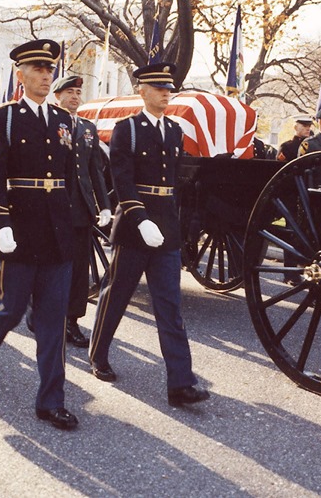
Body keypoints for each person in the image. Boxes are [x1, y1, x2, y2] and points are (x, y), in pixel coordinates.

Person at [88, 62, 210, 408]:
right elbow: (123, 179)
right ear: (142, 90)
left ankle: (181, 384)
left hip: (166, 232)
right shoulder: (126, 129)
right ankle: (98, 354)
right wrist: (141, 219)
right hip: (134, 228)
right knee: (116, 296)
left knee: (170, 307)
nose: (166, 93)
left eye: (169, 88)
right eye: (159, 88)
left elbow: (174, 184)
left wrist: (179, 229)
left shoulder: (174, 131)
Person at [0, 39, 79, 430]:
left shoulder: (63, 120)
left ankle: (51, 400)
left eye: (50, 70)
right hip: (19, 230)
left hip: (57, 234)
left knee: (52, 319)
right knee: (12, 309)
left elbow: (68, 177)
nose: (46, 76)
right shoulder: (3, 119)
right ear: (21, 74)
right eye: (38, 69)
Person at [50, 74, 111, 347]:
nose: (75, 97)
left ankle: (71, 322)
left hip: (82, 210)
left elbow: (95, 170)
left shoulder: (87, 127)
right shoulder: (49, 123)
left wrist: (104, 206)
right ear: (57, 96)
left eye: (77, 92)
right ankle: (47, 315)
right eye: (69, 92)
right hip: (55, 207)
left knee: (78, 271)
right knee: (53, 267)